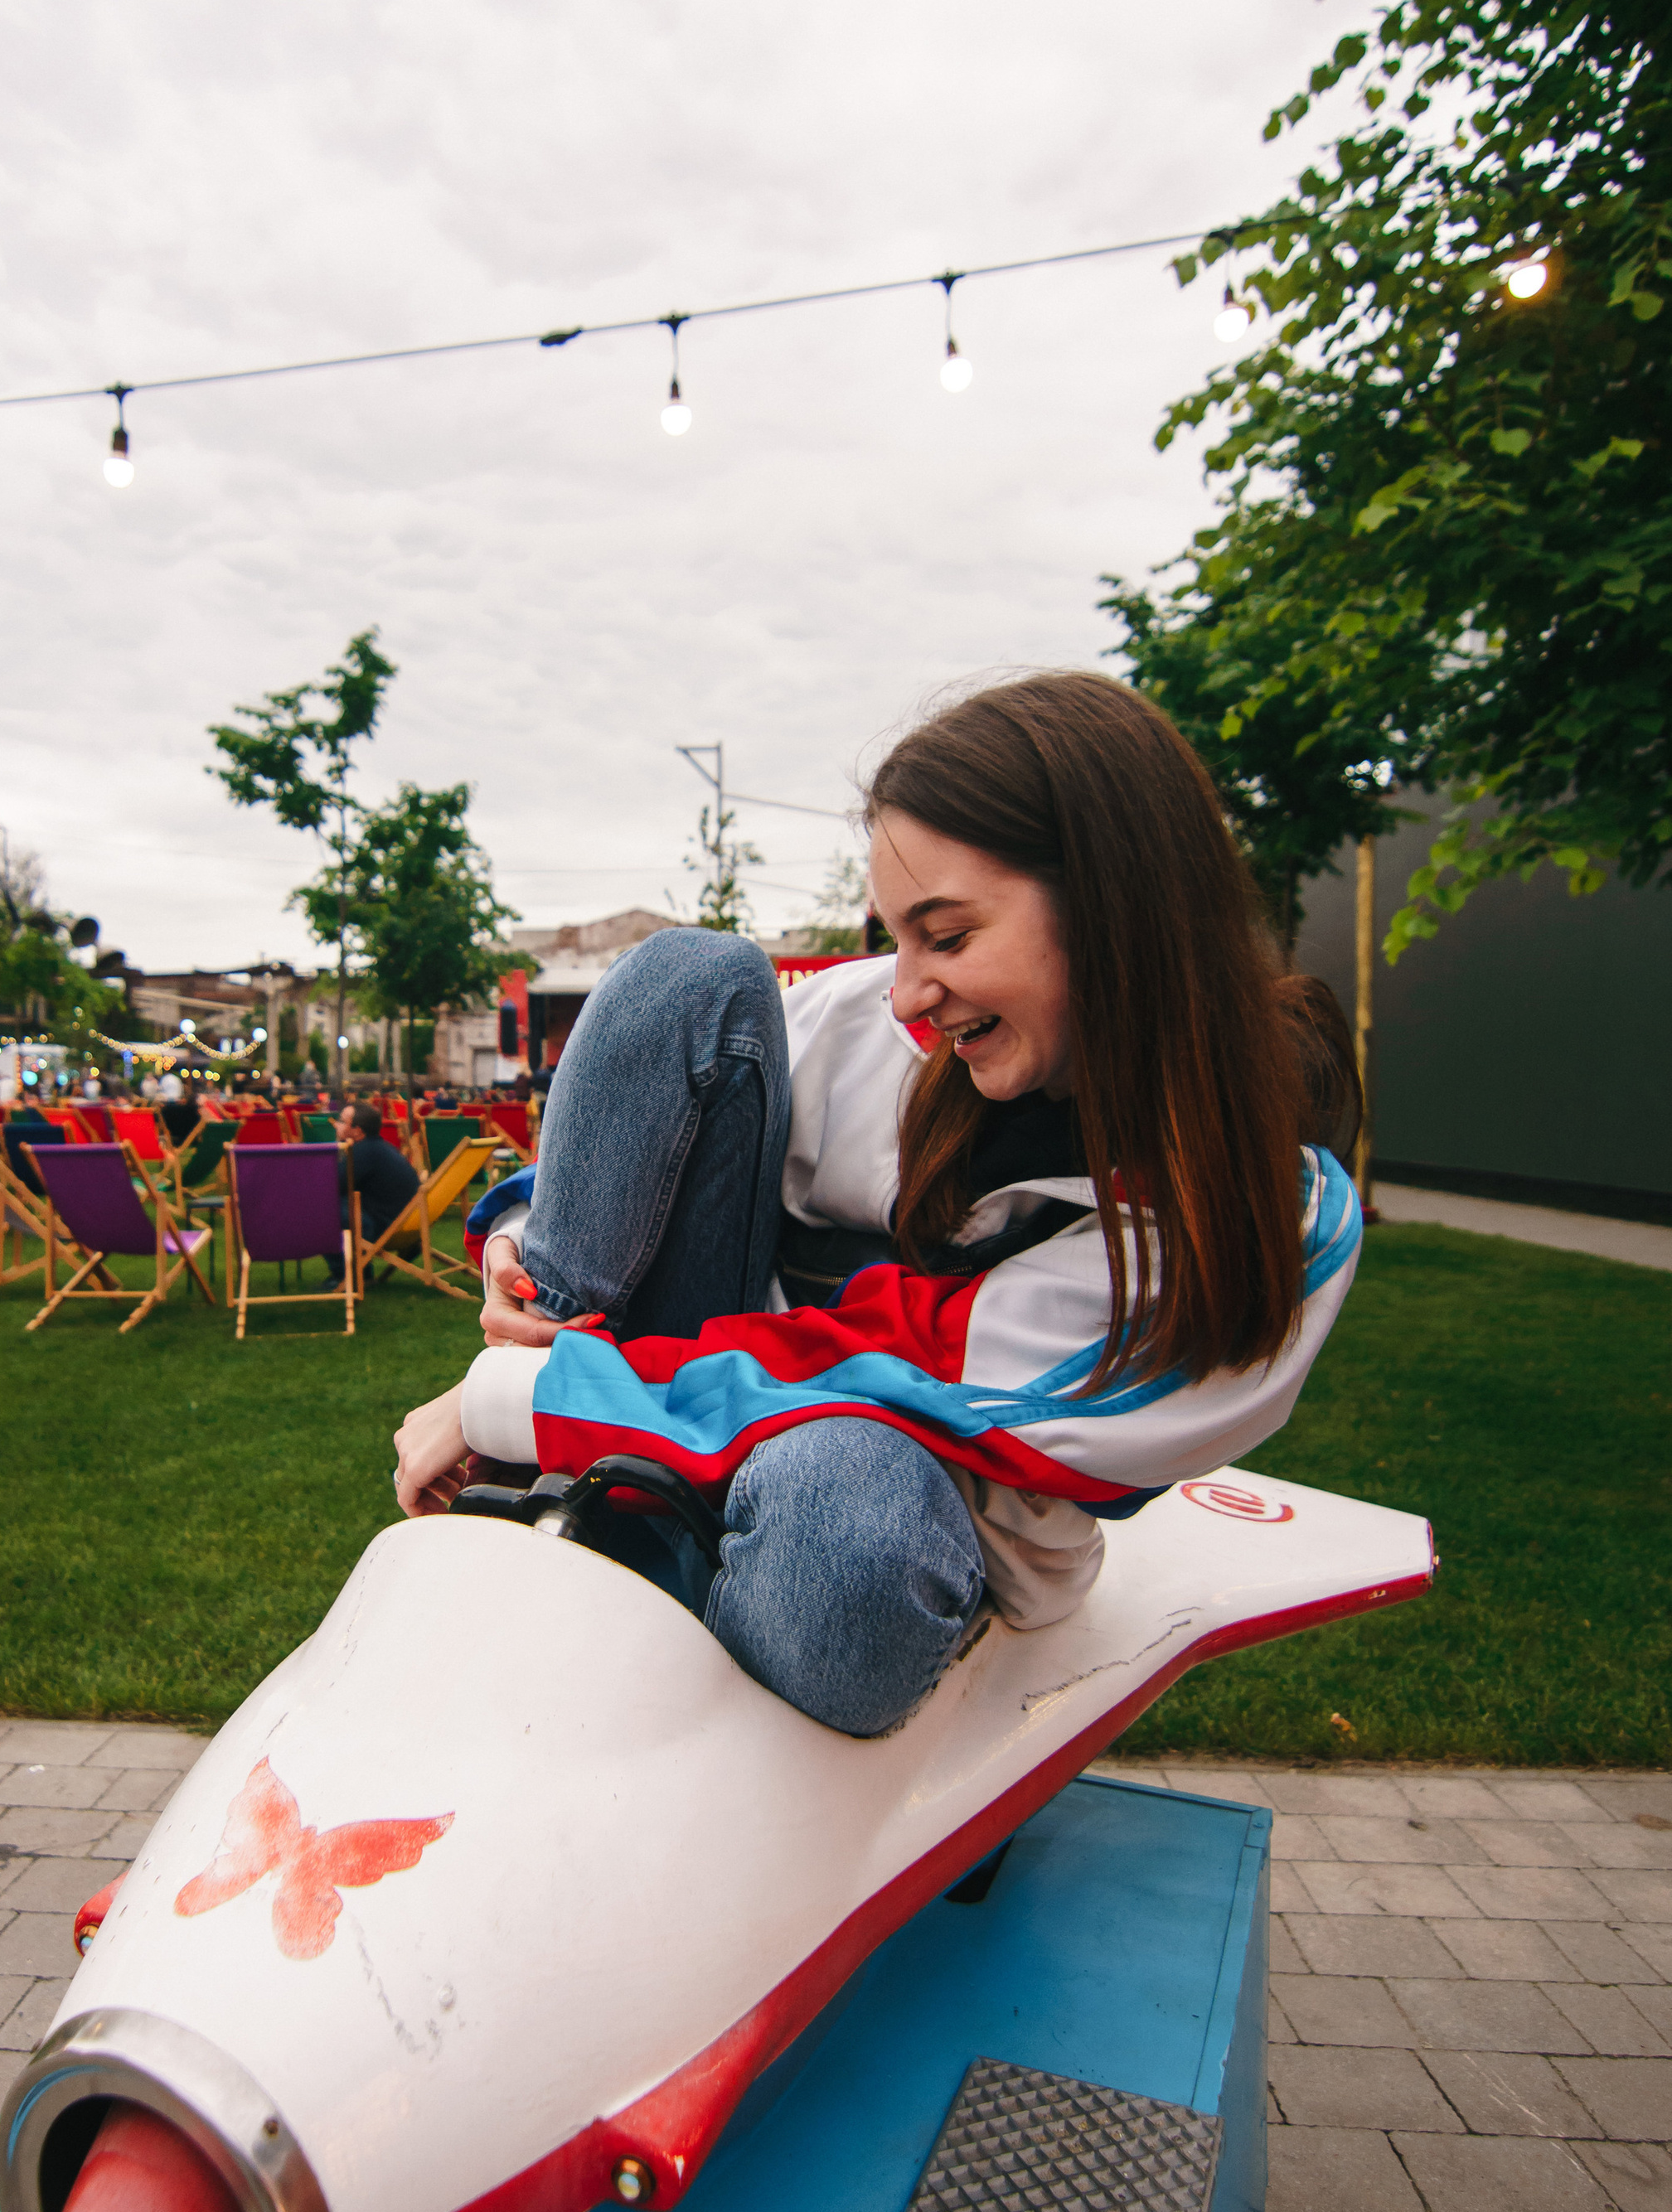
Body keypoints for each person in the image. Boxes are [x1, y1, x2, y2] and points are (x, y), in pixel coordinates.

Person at [393, 672, 1362, 1740]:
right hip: (671, 1389)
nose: (904, 989)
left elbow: (899, 1366)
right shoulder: (885, 1028)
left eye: (946, 937)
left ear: (1114, 911)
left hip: (897, 1497)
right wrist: (528, 1245)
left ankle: (640, 1572)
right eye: (895, 937)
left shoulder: (1253, 1219)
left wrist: (517, 1399)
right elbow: (655, 1130)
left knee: (840, 1514)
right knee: (687, 976)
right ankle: (549, 1503)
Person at [328, 1101, 421, 1281]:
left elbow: (332, 1186)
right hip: (407, 1225)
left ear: (357, 1131)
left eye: (342, 1121)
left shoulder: (362, 1152)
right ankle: (361, 1271)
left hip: (384, 1226)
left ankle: (344, 1275)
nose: (336, 1125)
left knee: (323, 1207)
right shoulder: (381, 1148)